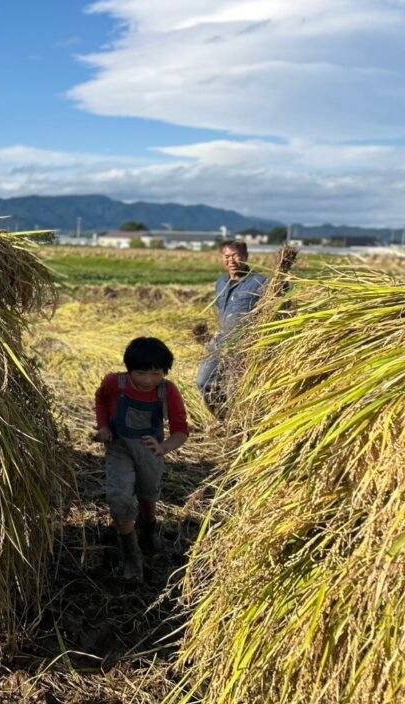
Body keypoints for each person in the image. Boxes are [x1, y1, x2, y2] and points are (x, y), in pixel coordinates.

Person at [94, 337, 189, 582]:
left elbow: (180, 430)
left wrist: (163, 447)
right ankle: (131, 555)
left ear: (164, 372)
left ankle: (149, 530)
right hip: (119, 448)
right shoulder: (115, 383)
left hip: (150, 451)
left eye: (156, 373)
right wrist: (103, 427)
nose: (148, 380)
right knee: (120, 497)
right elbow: (101, 398)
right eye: (141, 373)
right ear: (129, 369)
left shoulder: (167, 391)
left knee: (148, 494)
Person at [196, 240, 267, 412]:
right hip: (221, 340)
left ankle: (236, 425)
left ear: (246, 257)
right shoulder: (221, 283)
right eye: (227, 257)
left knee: (234, 387)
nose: (231, 261)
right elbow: (222, 311)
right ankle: (223, 418)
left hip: (245, 343)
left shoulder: (261, 281)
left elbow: (276, 306)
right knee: (203, 381)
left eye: (236, 256)